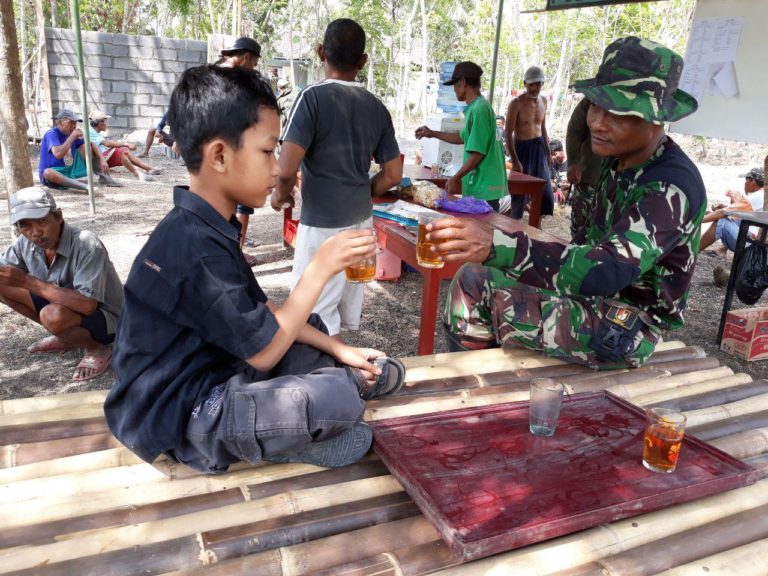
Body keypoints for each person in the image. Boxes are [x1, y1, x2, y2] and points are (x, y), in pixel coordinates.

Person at [104, 65, 405, 473]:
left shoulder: (209, 226)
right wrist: (320, 267)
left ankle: (338, 385)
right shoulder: (194, 248)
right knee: (332, 398)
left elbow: (264, 315)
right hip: (182, 412)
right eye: (267, 152)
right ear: (219, 156)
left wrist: (342, 350)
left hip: (219, 364)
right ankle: (324, 406)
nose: (279, 167)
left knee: (310, 328)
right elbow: (264, 354)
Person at [426, 36, 706, 369]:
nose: (597, 122)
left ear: (656, 117)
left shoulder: (669, 185)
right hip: (594, 297)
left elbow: (606, 270)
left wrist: (497, 245)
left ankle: (475, 388)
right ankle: (476, 383)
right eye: (595, 106)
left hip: (630, 324)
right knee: (473, 277)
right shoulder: (621, 160)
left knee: (481, 295)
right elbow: (587, 247)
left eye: (617, 112)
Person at [273, 18, 402, 340]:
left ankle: (329, 371)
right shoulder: (377, 107)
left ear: (321, 52)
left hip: (322, 225)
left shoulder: (311, 98)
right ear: (363, 61)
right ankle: (336, 366)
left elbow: (286, 169)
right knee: (334, 312)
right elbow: (393, 174)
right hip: (361, 223)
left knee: (312, 315)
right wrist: (362, 191)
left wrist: (280, 196)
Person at [0, 187, 123, 381]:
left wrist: (25, 280)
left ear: (58, 217)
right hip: (64, 307)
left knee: (52, 315)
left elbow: (87, 305)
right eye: (25, 225)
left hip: (109, 319)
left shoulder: (86, 243)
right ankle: (67, 336)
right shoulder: (26, 243)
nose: (35, 232)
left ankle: (97, 349)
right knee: (3, 286)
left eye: (42, 221)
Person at [415, 61, 507, 211]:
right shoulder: (475, 108)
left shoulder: (480, 109)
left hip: (484, 186)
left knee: (482, 226)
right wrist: (431, 133)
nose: (454, 90)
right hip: (478, 184)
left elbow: (477, 153)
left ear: (463, 83)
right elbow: (461, 138)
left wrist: (455, 178)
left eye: (455, 85)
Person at [217, 36, 264, 266]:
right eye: (254, 63)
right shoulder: (240, 81)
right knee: (241, 204)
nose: (253, 68)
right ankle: (236, 253)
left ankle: (223, 253)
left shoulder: (212, 75)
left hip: (215, 153)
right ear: (246, 57)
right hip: (237, 149)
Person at [504, 66, 555, 220]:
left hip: (539, 148)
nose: (534, 88)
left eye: (538, 84)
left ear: (542, 84)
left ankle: (536, 227)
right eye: (531, 84)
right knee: (520, 194)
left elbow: (543, 128)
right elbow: (508, 133)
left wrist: (548, 153)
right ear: (525, 84)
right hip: (522, 148)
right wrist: (515, 160)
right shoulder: (516, 103)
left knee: (544, 192)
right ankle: (514, 227)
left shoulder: (544, 101)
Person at [39, 109, 122, 191]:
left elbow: (92, 144)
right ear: (61, 122)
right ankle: (85, 187)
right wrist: (72, 137)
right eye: (71, 122)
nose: (74, 126)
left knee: (87, 146)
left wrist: (102, 159)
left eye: (75, 123)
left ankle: (104, 178)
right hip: (53, 173)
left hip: (69, 170)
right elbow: (58, 154)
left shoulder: (72, 133)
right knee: (48, 172)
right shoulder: (52, 134)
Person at [566, 97, 604, 242]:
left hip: (622, 181)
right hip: (589, 175)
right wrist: (573, 162)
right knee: (580, 227)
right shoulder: (592, 97)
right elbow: (575, 129)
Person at [88, 110, 162, 181]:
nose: (107, 124)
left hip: (101, 158)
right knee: (120, 151)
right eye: (105, 121)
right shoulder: (91, 132)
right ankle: (137, 174)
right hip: (98, 160)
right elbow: (107, 143)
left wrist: (122, 145)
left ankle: (149, 168)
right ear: (100, 123)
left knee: (124, 150)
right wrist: (126, 144)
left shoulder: (94, 132)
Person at [549, 138, 569, 203]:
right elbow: (551, 180)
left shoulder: (571, 164)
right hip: (558, 200)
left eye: (555, 154)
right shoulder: (553, 165)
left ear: (561, 150)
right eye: (552, 155)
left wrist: (569, 186)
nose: (553, 157)